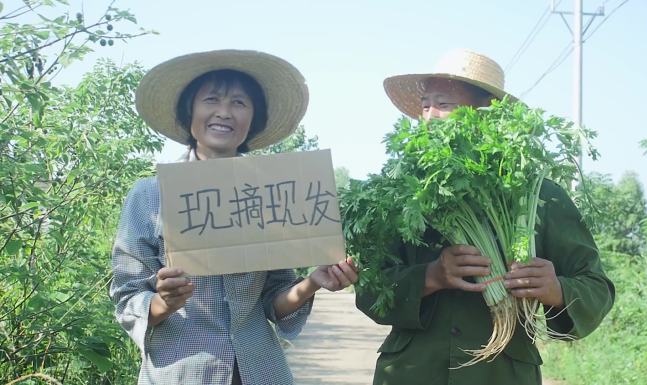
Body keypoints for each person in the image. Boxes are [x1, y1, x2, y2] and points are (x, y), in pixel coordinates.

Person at [356, 49, 615, 385]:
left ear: (489, 114)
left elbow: (597, 288)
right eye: (425, 104)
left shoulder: (537, 194)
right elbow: (369, 290)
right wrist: (432, 276)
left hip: (501, 373)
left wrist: (556, 289)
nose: (430, 116)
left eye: (444, 104)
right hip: (414, 371)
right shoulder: (402, 193)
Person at [110, 49, 358, 385]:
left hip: (260, 371)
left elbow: (273, 299)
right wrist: (164, 303)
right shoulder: (149, 196)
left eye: (239, 103)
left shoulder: (271, 194)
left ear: (253, 118)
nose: (224, 112)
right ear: (190, 111)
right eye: (211, 99)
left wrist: (313, 282)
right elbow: (128, 296)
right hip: (181, 372)